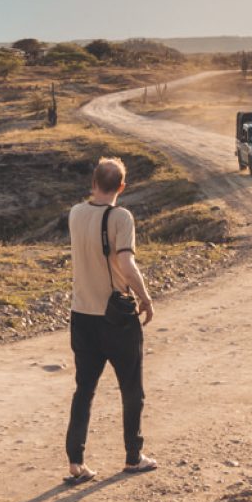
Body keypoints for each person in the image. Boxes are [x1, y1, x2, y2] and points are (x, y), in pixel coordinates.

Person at [64, 156, 157, 483]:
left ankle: (76, 463)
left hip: (82, 316)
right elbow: (127, 265)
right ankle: (134, 456)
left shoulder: (76, 213)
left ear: (93, 184)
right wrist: (145, 297)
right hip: (115, 317)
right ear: (121, 187)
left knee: (84, 390)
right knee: (132, 389)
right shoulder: (122, 217)